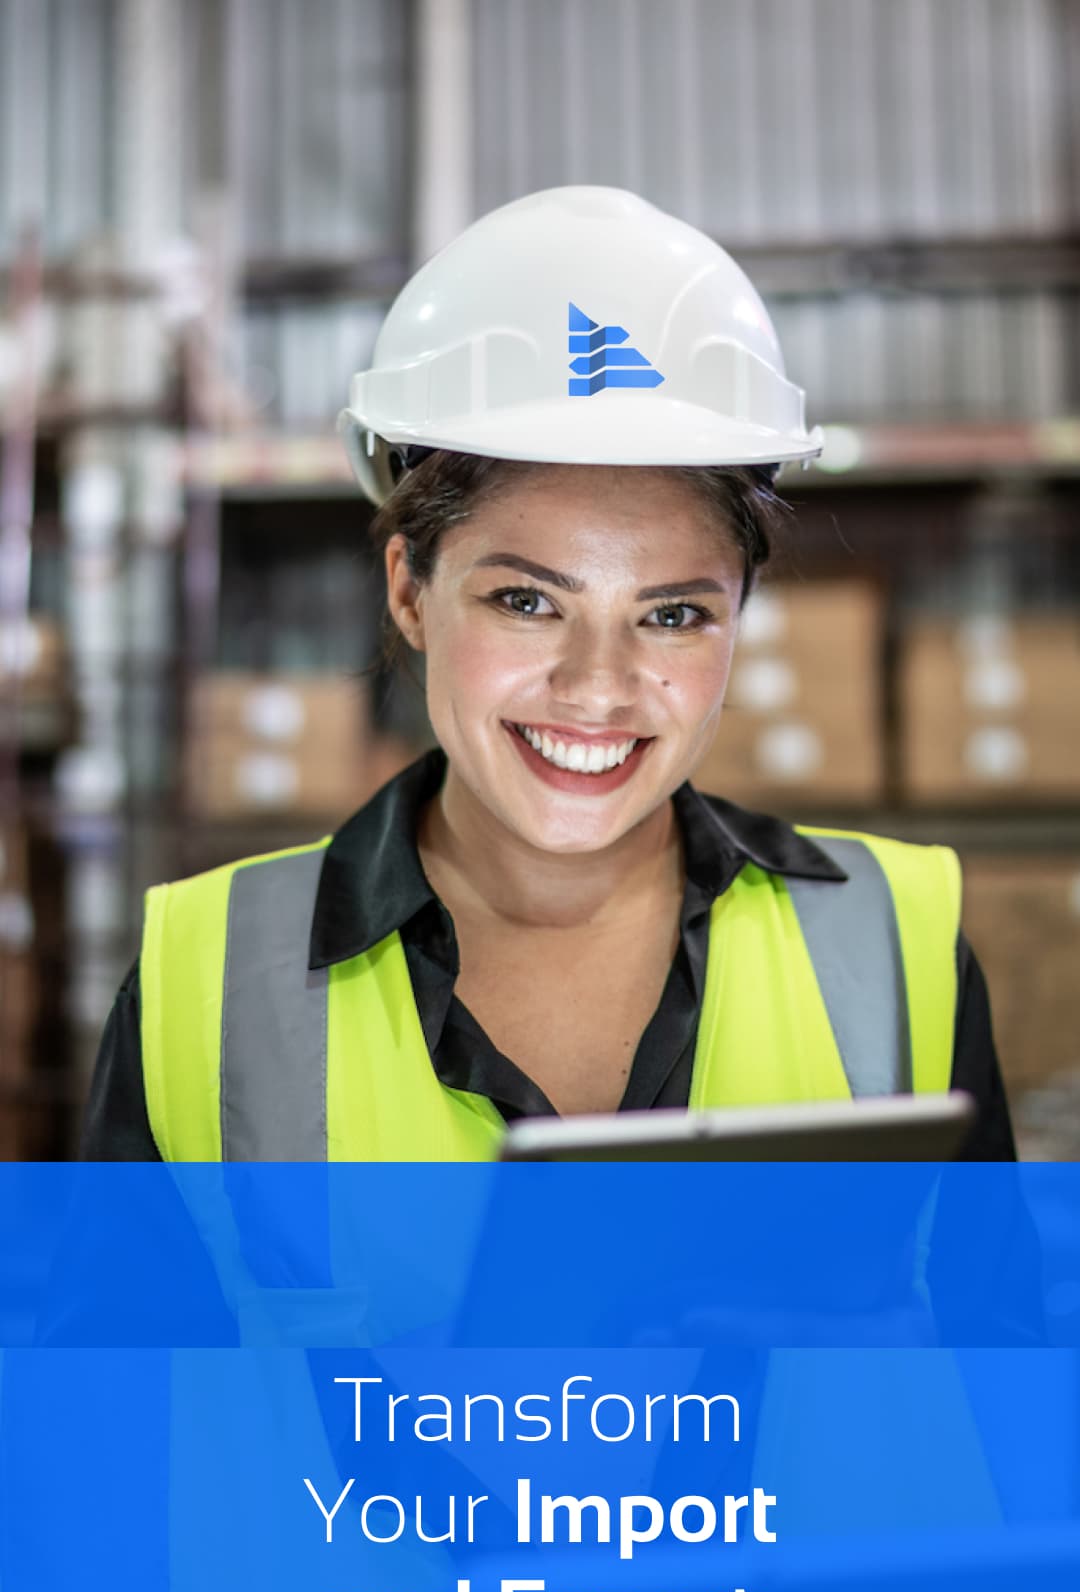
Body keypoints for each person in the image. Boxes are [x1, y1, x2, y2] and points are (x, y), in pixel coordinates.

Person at [82, 185, 1019, 1168]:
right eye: (526, 602)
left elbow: (987, 1322)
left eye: (672, 615)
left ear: (738, 618)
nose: (599, 687)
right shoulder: (207, 982)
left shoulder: (893, 945)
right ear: (411, 591)